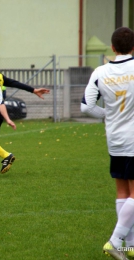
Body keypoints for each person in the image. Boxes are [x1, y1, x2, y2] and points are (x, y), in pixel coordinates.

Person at [81, 27, 134, 260]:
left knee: (123, 190)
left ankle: (130, 246)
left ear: (112, 47)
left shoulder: (100, 72)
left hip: (114, 138)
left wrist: (108, 114)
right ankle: (115, 241)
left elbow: (86, 106)